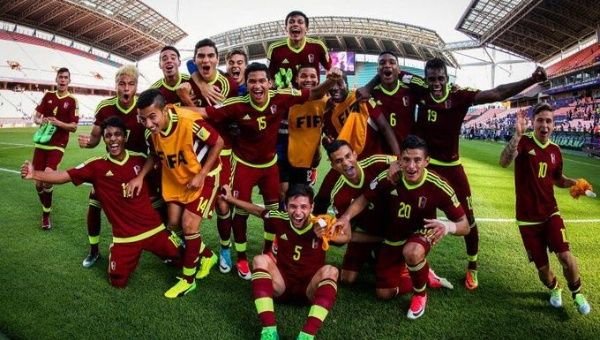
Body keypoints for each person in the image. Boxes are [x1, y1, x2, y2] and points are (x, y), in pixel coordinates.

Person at [187, 62, 342, 280]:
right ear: (247, 83)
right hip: (243, 165)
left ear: (269, 83)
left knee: (273, 211)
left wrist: (331, 80)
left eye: (262, 81)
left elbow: (315, 93)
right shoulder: (237, 104)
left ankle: (269, 251)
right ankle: (241, 257)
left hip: (270, 167)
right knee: (239, 211)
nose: (257, 86)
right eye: (252, 81)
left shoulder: (281, 97)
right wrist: (172, 110)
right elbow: (204, 112)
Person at [409, 58, 548, 290]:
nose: (436, 83)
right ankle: (418, 263)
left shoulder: (459, 96)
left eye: (440, 79)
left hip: (452, 168)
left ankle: (472, 266)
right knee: (418, 217)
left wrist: (531, 79)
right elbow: (390, 74)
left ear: (447, 79)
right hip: (427, 168)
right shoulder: (417, 89)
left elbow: (497, 92)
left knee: (468, 219)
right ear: (425, 79)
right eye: (431, 79)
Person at [22, 116, 182, 288]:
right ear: (104, 139)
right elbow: (62, 176)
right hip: (125, 238)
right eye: (108, 135)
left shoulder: (140, 161)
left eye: (117, 135)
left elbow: (165, 169)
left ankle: (174, 243)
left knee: (184, 259)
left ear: (125, 137)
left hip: (154, 231)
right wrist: (34, 174)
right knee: (117, 280)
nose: (113, 139)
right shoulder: (96, 166)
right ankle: (114, 250)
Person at [334, 135, 469, 319]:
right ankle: (423, 274)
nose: (412, 166)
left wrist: (448, 226)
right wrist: (346, 217)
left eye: (417, 160)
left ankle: (420, 294)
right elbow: (364, 198)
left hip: (420, 232)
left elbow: (465, 226)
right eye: (406, 160)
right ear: (399, 160)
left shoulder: (438, 185)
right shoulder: (390, 177)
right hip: (393, 235)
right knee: (384, 294)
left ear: (426, 161)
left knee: (412, 252)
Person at [314, 140, 453, 290]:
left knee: (388, 276)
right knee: (347, 279)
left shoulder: (377, 162)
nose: (346, 163)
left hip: (397, 226)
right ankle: (383, 258)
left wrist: (395, 164)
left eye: (348, 156)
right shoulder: (338, 194)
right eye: (339, 161)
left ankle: (422, 274)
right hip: (370, 234)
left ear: (355, 154)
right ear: (333, 165)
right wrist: (329, 234)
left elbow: (406, 162)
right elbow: (349, 235)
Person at [220, 184, 349, 340]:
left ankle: (306, 336)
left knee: (331, 270)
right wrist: (231, 199)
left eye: (304, 207)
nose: (298, 212)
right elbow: (257, 210)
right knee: (260, 259)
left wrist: (328, 235)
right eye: (293, 206)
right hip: (281, 287)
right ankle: (269, 331)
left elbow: (345, 238)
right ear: (286, 206)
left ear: (311, 207)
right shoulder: (279, 219)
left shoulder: (320, 225)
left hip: (310, 291)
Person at [499, 103, 591, 315]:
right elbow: (504, 162)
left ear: (554, 125)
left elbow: (557, 179)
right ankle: (555, 288)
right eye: (540, 120)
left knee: (566, 256)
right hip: (527, 219)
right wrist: (516, 136)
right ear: (533, 122)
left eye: (549, 121)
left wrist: (575, 183)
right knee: (542, 271)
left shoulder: (555, 151)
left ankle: (577, 293)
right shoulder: (523, 142)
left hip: (550, 213)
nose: (545, 125)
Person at [134, 88, 224, 298]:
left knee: (189, 225)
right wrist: (140, 177)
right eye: (143, 119)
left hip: (205, 176)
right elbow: (155, 156)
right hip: (177, 179)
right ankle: (208, 255)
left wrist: (202, 174)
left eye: (152, 117)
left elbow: (218, 142)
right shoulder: (152, 133)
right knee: (173, 223)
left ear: (164, 110)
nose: (148, 124)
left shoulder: (189, 121)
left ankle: (187, 279)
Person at [78, 65, 154, 268]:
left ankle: (161, 247)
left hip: (140, 166)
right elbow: (95, 139)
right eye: (122, 84)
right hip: (113, 165)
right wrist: (89, 143)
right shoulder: (105, 107)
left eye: (131, 84)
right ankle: (94, 250)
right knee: (94, 201)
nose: (126, 88)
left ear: (136, 86)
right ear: (116, 86)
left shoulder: (143, 107)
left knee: (157, 206)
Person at [178, 38, 240, 276]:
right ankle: (194, 247)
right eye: (200, 56)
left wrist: (190, 96)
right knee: (187, 203)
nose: (206, 60)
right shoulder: (186, 84)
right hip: (195, 155)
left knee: (224, 202)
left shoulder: (229, 85)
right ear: (195, 60)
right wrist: (193, 86)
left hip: (222, 152)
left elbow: (218, 117)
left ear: (217, 59)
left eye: (210, 56)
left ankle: (225, 249)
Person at [30, 67, 79, 230]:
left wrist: (58, 123)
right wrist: (39, 121)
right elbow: (36, 116)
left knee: (48, 178)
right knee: (38, 183)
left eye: (66, 77)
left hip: (58, 144)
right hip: (41, 142)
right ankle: (46, 207)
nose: (63, 80)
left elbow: (73, 127)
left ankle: (46, 215)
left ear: (69, 81)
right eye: (60, 77)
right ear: (56, 79)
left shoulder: (72, 101)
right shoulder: (48, 96)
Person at [278, 64, 327, 203]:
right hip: (283, 155)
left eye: (312, 76)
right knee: (283, 194)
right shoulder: (288, 98)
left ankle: (300, 223)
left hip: (305, 159)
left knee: (301, 196)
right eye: (303, 76)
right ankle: (284, 222)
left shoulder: (324, 101)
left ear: (318, 79)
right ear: (296, 79)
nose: (308, 79)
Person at [267, 10, 331, 89]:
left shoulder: (318, 46)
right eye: (291, 22)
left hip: (312, 96)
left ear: (306, 28)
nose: (295, 24)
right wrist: (280, 87)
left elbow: (330, 69)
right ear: (286, 28)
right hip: (287, 97)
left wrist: (325, 89)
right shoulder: (275, 49)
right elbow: (269, 77)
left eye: (300, 22)